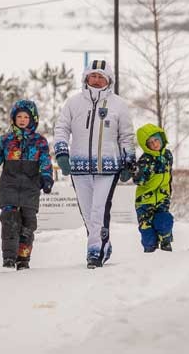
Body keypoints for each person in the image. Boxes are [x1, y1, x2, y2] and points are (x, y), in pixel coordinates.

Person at [53, 60, 135, 269]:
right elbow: (61, 128)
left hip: (108, 167)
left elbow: (126, 136)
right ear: (86, 77)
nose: (97, 80)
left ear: (109, 80)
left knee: (99, 210)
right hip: (79, 167)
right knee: (88, 212)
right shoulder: (73, 103)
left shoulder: (119, 105)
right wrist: (62, 152)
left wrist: (128, 162)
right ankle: (103, 243)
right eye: (93, 76)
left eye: (101, 77)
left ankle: (94, 251)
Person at [0, 99, 53, 270]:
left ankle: (23, 259)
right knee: (9, 221)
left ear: (33, 119)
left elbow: (46, 162)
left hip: (30, 189)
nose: (23, 119)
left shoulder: (40, 142)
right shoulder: (6, 140)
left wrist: (47, 179)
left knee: (28, 225)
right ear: (13, 118)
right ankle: (9, 258)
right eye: (19, 116)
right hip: (10, 186)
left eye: (26, 116)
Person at [131, 123, 174, 252]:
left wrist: (168, 192)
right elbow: (139, 181)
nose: (155, 144)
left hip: (162, 196)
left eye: (156, 140)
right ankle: (150, 253)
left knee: (164, 220)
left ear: (161, 138)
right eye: (150, 142)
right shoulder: (145, 160)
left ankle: (166, 242)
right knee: (147, 234)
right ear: (146, 146)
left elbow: (168, 175)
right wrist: (138, 172)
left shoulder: (168, 156)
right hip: (145, 201)